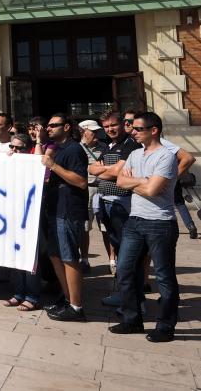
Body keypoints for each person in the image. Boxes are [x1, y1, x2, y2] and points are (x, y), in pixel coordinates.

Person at [110, 112, 180, 343]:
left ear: (154, 130)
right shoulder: (134, 154)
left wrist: (137, 183)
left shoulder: (166, 157)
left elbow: (153, 191)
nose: (132, 131)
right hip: (135, 220)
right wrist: (143, 181)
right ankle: (132, 319)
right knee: (125, 270)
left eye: (138, 128)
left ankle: (166, 325)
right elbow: (120, 182)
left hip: (160, 223)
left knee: (164, 276)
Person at [42, 113, 89, 322]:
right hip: (54, 208)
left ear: (68, 127)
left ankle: (77, 306)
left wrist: (53, 166)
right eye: (48, 125)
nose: (49, 128)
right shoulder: (57, 149)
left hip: (69, 210)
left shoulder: (74, 149)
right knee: (55, 254)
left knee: (69, 256)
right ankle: (68, 297)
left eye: (54, 125)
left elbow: (80, 181)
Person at [92, 111, 141, 277]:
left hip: (122, 203)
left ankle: (131, 287)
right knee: (116, 242)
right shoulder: (108, 146)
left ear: (122, 124)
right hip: (105, 202)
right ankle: (123, 284)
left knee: (127, 245)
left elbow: (115, 172)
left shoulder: (131, 144)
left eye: (113, 125)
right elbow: (91, 168)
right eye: (106, 126)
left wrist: (102, 170)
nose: (110, 129)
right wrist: (104, 170)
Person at [3, 132, 42, 311]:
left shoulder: (32, 163)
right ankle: (18, 293)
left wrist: (39, 142)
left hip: (30, 216)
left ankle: (32, 296)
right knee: (16, 255)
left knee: (30, 258)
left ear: (28, 150)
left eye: (19, 148)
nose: (14, 151)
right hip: (12, 216)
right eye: (12, 147)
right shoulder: (6, 162)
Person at [79, 119, 109, 273]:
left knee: (106, 227)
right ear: (83, 131)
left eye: (98, 131)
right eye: (93, 131)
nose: (97, 134)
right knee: (85, 227)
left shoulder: (105, 147)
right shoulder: (76, 149)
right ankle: (84, 260)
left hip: (103, 189)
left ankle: (113, 261)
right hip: (86, 190)